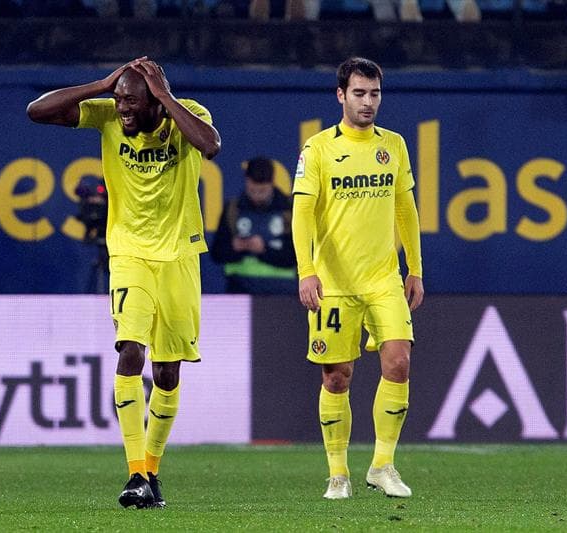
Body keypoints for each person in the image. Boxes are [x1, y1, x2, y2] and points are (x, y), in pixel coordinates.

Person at [27, 57, 220, 509]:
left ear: (155, 100)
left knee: (167, 372)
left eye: (132, 102)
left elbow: (210, 146)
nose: (123, 110)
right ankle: (135, 473)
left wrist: (166, 98)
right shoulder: (109, 113)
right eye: (119, 101)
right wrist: (103, 84)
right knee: (130, 349)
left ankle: (151, 471)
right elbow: (36, 111)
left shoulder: (188, 114)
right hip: (130, 254)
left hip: (180, 256)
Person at [291, 56, 424, 499]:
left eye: (375, 94)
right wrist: (306, 271)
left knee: (399, 362)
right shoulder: (318, 149)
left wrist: (415, 269)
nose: (369, 103)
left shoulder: (395, 146)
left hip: (384, 278)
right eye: (360, 93)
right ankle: (338, 472)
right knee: (337, 377)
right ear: (341, 95)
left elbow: (405, 209)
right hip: (334, 284)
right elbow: (302, 214)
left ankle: (383, 465)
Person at [211, 156, 297, 294]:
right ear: (246, 182)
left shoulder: (288, 210)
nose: (257, 196)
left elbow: (297, 255)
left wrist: (264, 250)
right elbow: (217, 253)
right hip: (239, 288)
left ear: (272, 183)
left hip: (281, 291)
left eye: (262, 191)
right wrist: (235, 247)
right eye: (252, 190)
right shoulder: (233, 209)